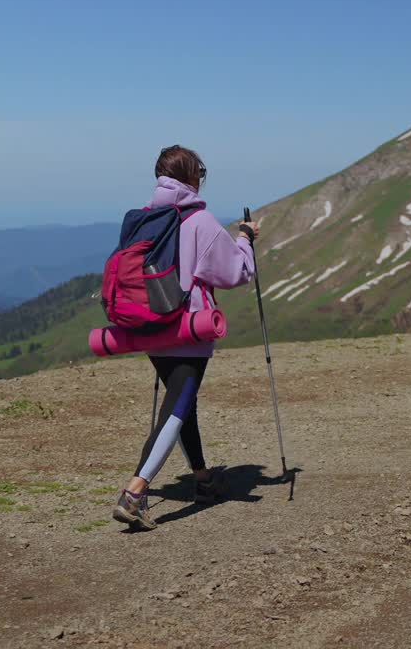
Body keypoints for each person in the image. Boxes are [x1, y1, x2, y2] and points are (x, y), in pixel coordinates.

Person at [112, 145, 260, 531]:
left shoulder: (146, 218)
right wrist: (245, 239)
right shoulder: (200, 221)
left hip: (148, 326)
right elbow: (236, 274)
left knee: (182, 403)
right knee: (177, 407)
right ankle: (135, 492)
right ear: (194, 176)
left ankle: (203, 479)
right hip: (188, 329)